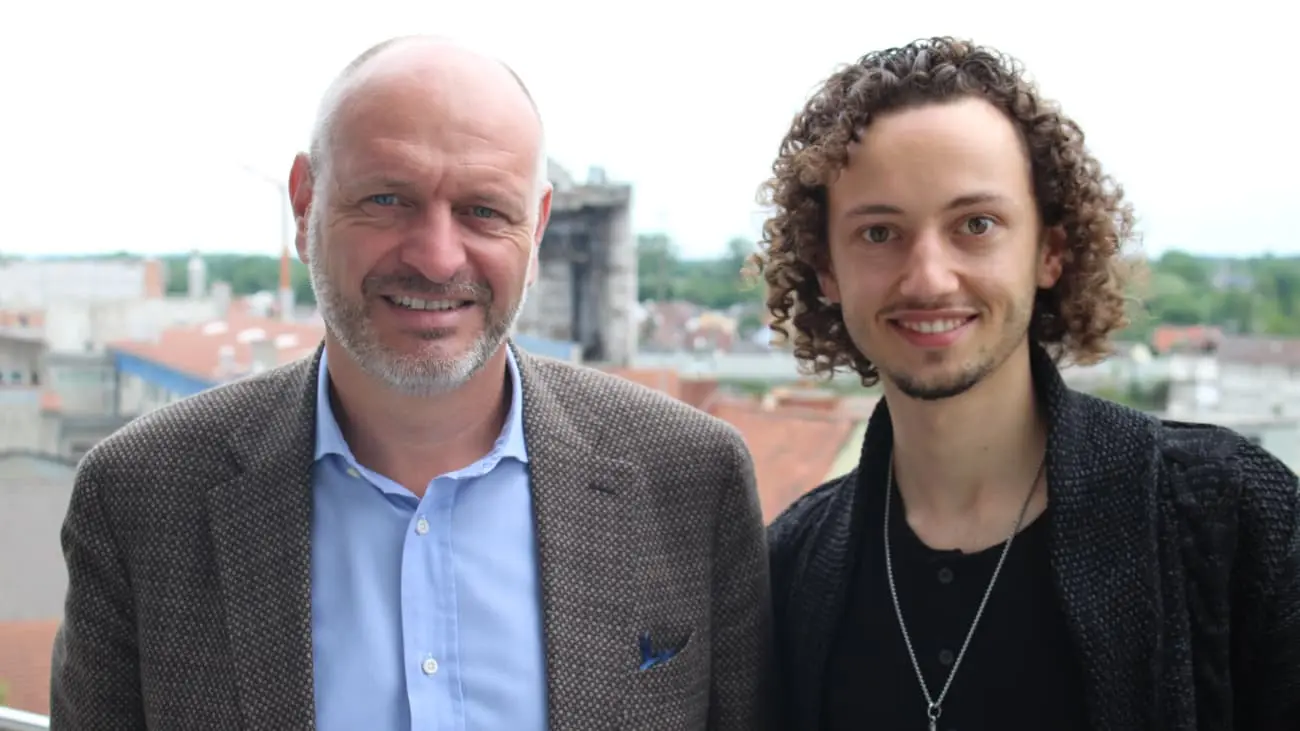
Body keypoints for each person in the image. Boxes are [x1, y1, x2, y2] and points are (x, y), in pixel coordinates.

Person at [50, 36, 774, 731]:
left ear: (540, 225)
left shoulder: (690, 479)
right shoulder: (141, 497)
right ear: (303, 205)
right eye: (388, 199)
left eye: (483, 210)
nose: (435, 257)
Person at [752, 37, 1300, 731]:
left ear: (1050, 250)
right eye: (879, 232)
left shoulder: (1232, 515)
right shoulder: (791, 567)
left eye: (975, 225)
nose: (928, 276)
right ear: (825, 269)